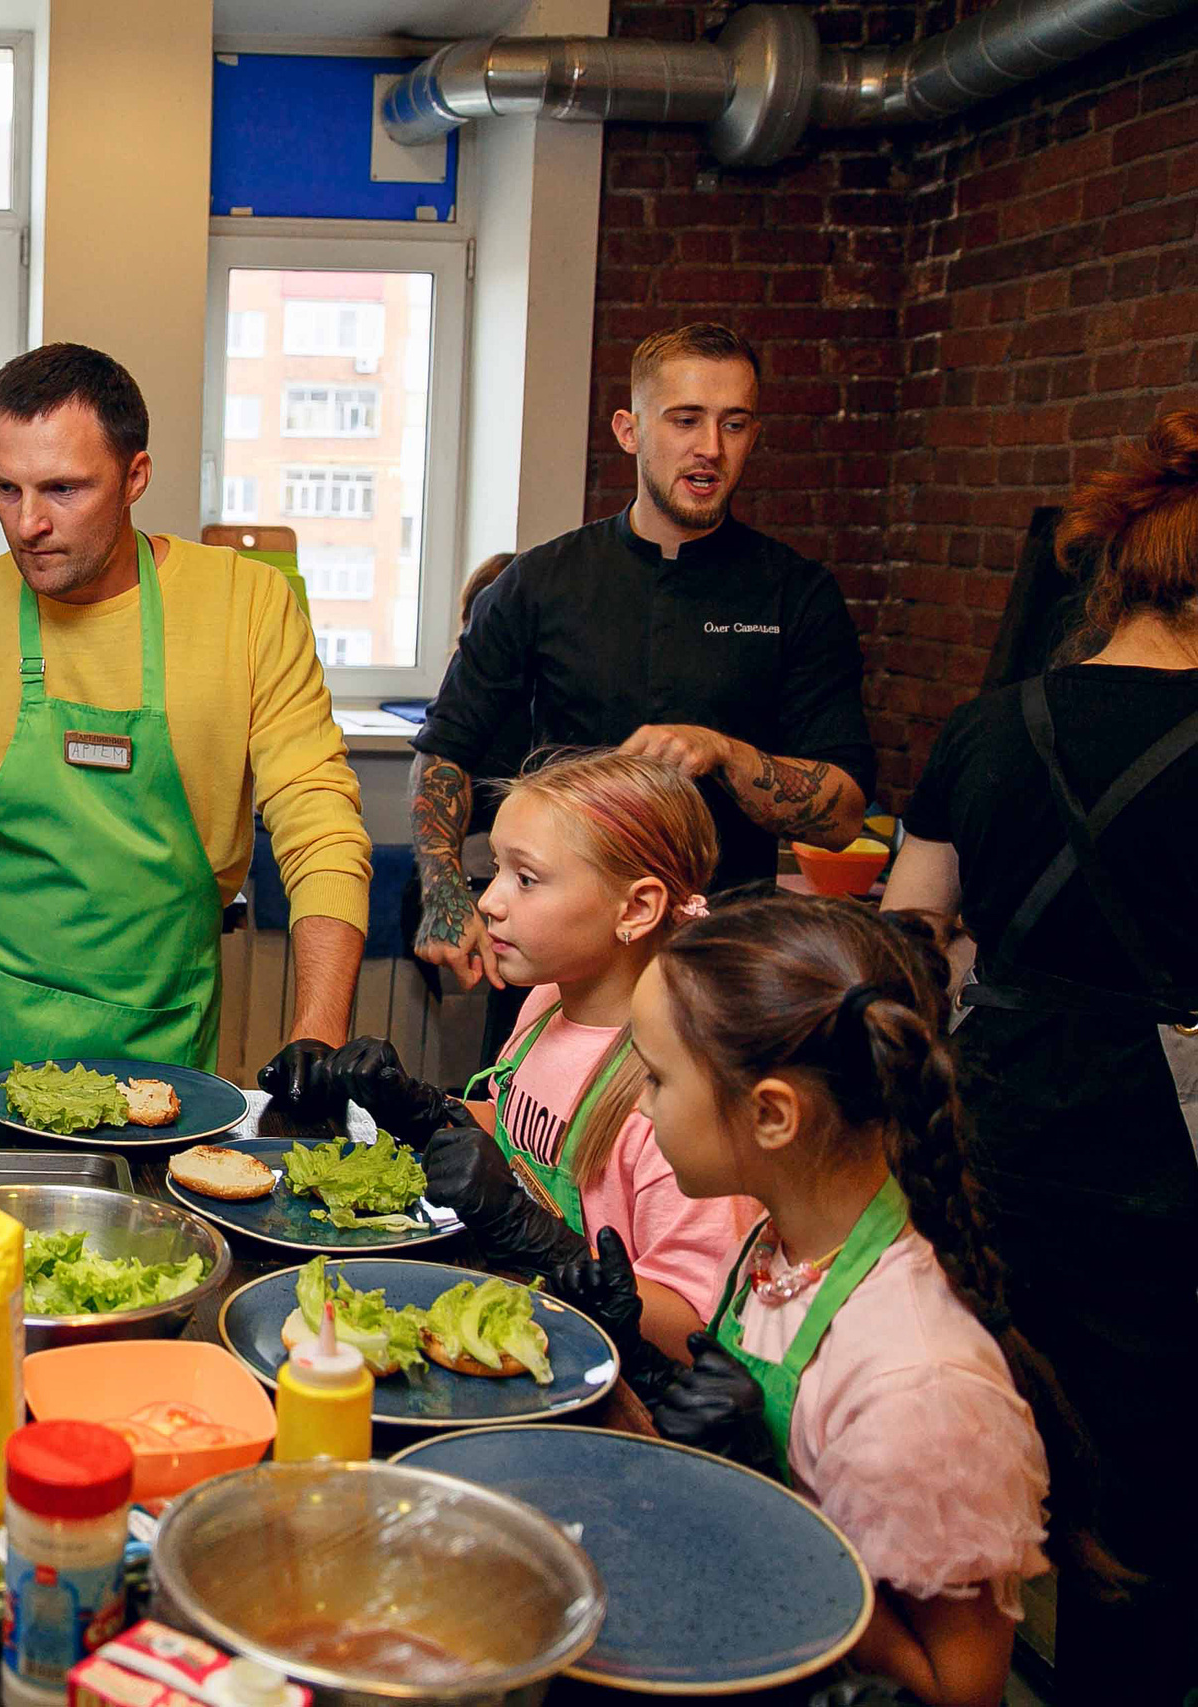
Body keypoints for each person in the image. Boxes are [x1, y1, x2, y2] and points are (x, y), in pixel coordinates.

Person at [0, 343, 374, 1115]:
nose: (28, 523)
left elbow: (319, 823)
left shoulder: (247, 608)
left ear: (135, 478)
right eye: (6, 488)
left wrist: (320, 1033)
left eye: (64, 488)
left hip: (165, 1060)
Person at [883, 409, 1198, 1700]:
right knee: (1154, 1480)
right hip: (1157, 1158)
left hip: (999, 1134)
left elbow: (908, 933)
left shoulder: (986, 725)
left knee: (1002, 1432)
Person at [581, 893, 1054, 1707]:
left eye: (656, 1079)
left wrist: (769, 1499)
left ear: (771, 1113)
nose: (641, 1106)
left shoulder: (918, 1381)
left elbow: (958, 1692)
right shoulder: (781, 1239)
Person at [411, 321, 878, 1006]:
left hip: (716, 977)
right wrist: (444, 887)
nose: (710, 449)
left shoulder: (797, 594)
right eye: (685, 420)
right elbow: (446, 749)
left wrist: (723, 752)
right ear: (629, 430)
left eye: (735, 423)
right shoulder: (539, 583)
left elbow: (841, 816)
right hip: (557, 972)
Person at [333, 751, 741, 1354]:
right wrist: (411, 1108)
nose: (491, 902)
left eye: (526, 879)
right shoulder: (547, 1001)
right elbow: (521, 1133)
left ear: (635, 908)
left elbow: (692, 1326)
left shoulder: (673, 1090)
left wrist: (546, 1243)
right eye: (497, 869)